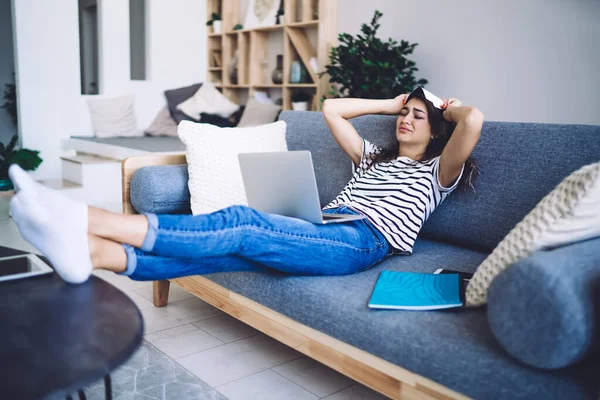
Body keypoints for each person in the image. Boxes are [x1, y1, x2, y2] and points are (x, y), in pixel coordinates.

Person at [8, 88, 484, 284]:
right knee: (229, 251)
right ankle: (94, 255)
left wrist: (448, 108)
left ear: (436, 131)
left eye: (417, 117)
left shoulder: (438, 172)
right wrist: (392, 100)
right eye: (405, 114)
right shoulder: (372, 158)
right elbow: (332, 109)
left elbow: (474, 121)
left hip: (361, 241)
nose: (405, 120)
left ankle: (84, 218)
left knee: (240, 222)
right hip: (320, 223)